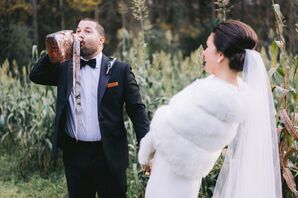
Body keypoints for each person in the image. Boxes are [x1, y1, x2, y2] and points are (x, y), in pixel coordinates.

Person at [138, 20, 282, 198]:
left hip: (171, 174)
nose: (204, 52)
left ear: (220, 54)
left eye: (208, 47)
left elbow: (166, 127)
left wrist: (146, 153)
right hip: (184, 173)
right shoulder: (234, 94)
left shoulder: (211, 94)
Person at [29, 18, 150, 198]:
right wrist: (55, 50)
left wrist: (148, 149)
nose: (80, 35)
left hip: (108, 154)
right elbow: (36, 75)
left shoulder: (119, 70)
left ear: (101, 39)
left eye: (87, 31)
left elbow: (137, 111)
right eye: (77, 31)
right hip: (75, 154)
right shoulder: (64, 68)